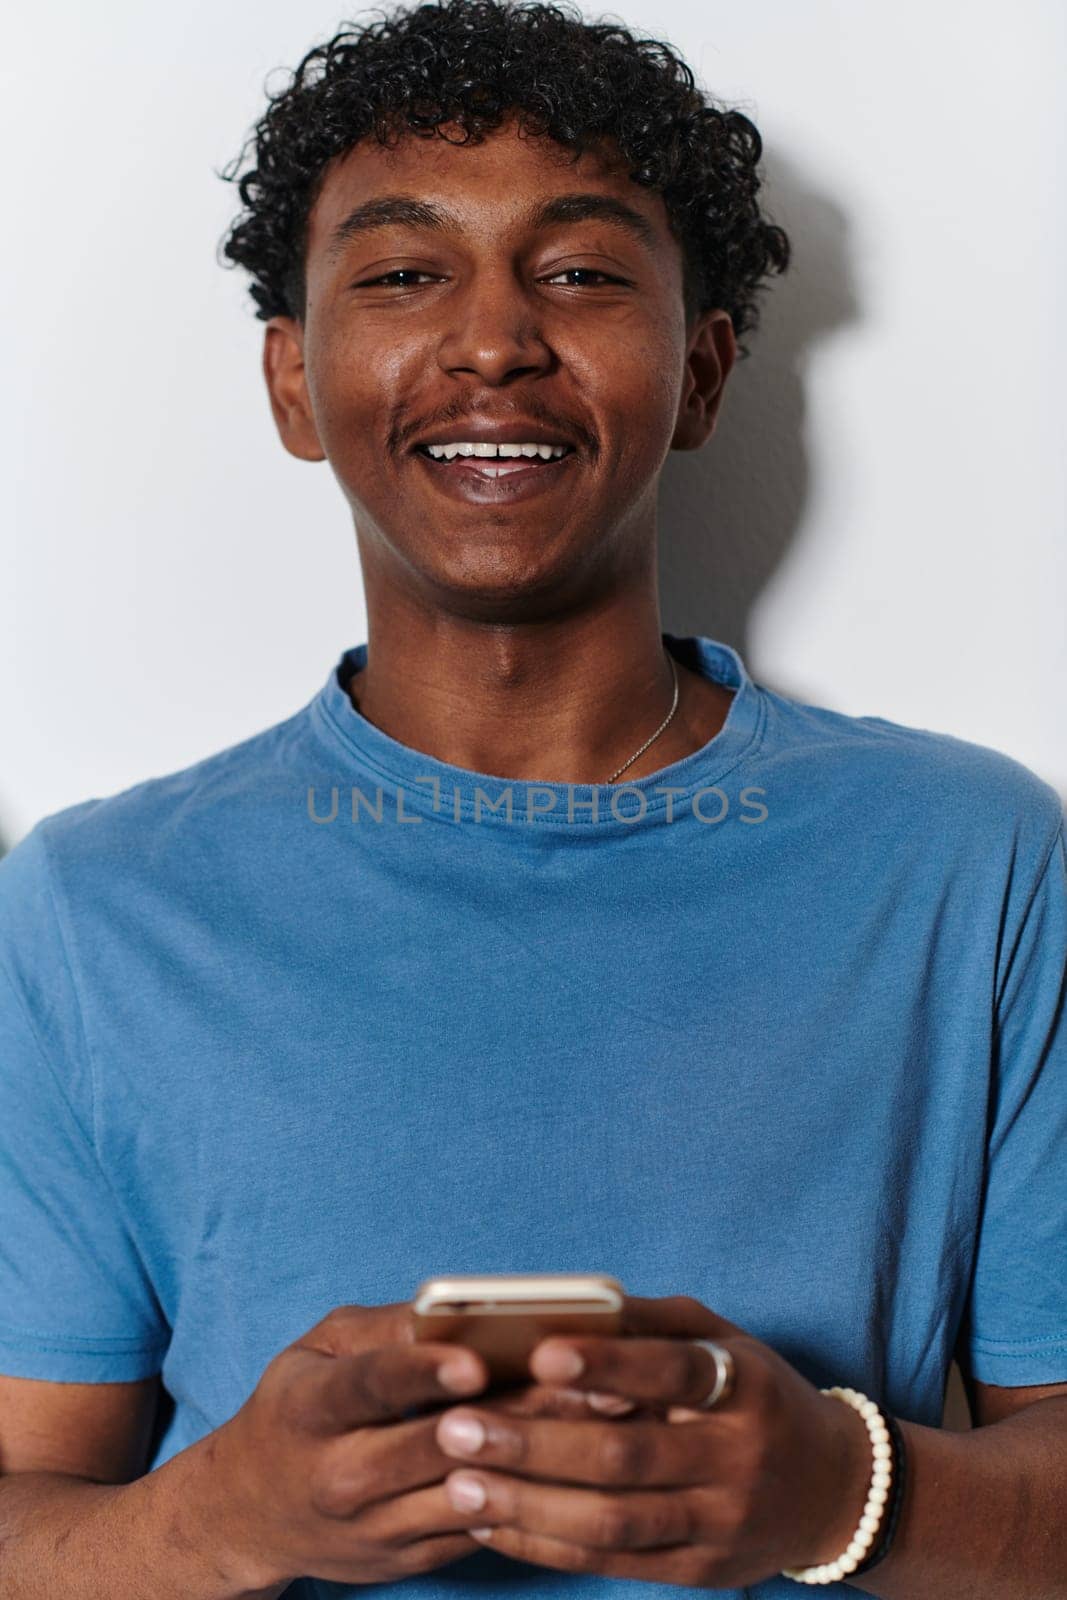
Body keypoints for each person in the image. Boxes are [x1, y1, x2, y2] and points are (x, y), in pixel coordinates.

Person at [1, 1, 1064, 1595]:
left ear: (701, 372)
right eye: (401, 273)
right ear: (294, 383)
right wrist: (223, 1513)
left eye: (577, 273)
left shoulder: (970, 862)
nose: (493, 339)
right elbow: (27, 1508)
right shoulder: (90, 908)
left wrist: (839, 1487)